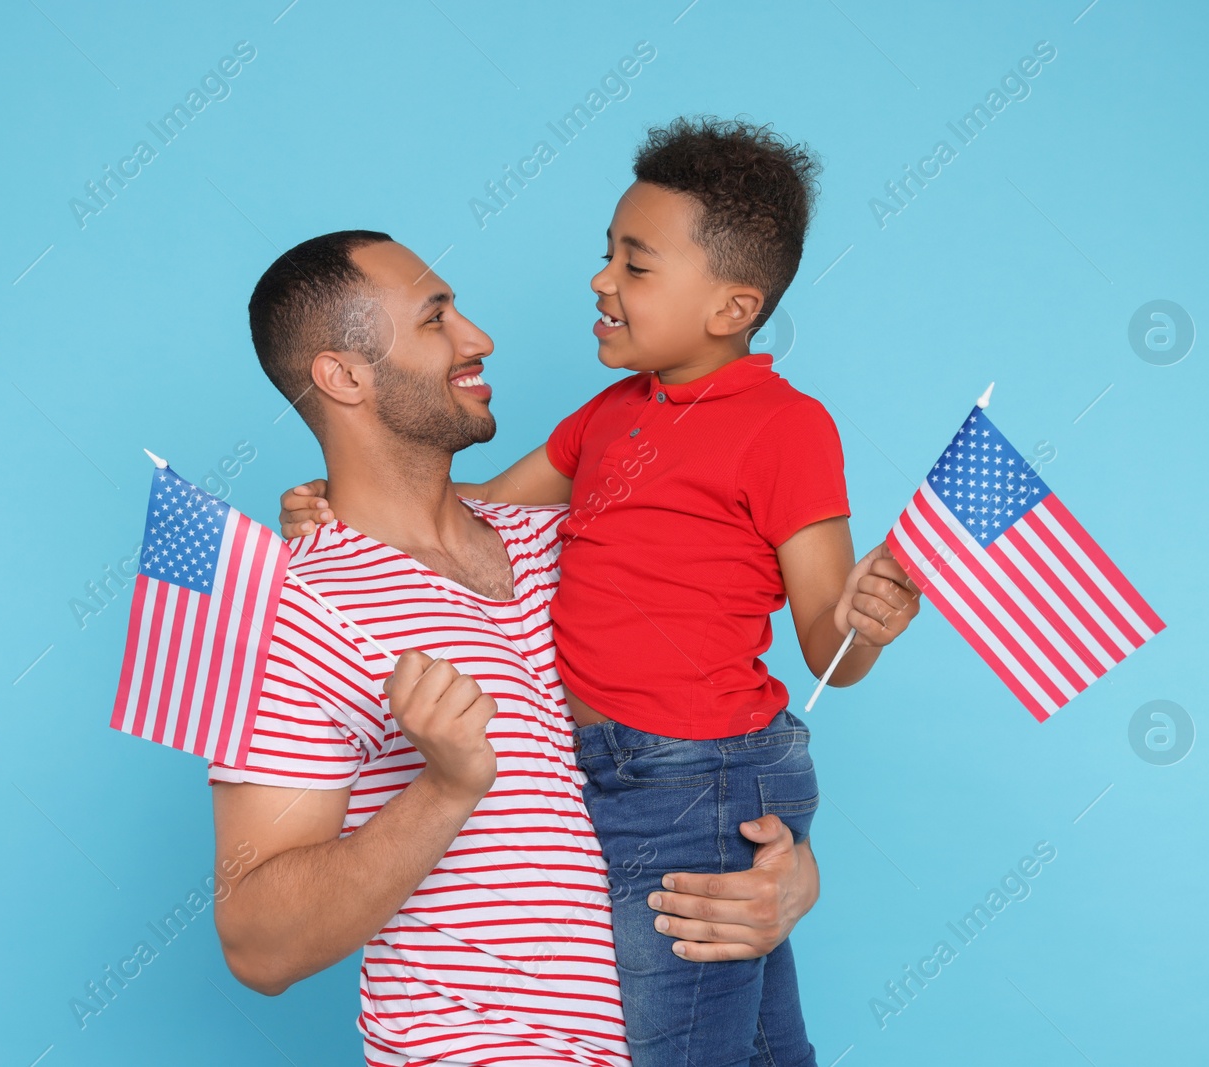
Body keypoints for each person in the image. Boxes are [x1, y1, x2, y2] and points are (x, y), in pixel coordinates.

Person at [278, 117, 923, 1067]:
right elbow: (478, 502)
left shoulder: (787, 428)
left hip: (694, 770)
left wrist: (870, 623)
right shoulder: (611, 416)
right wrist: (340, 500)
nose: (601, 280)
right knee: (756, 1038)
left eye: (637, 263)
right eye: (606, 253)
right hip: (627, 767)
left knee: (678, 1039)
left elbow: (830, 645)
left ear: (731, 306)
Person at [211, 228, 824, 1067]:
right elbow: (256, 944)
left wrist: (789, 877)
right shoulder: (299, 609)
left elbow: (699, 745)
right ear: (342, 374)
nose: (479, 337)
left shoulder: (578, 538)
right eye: (436, 320)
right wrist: (445, 787)